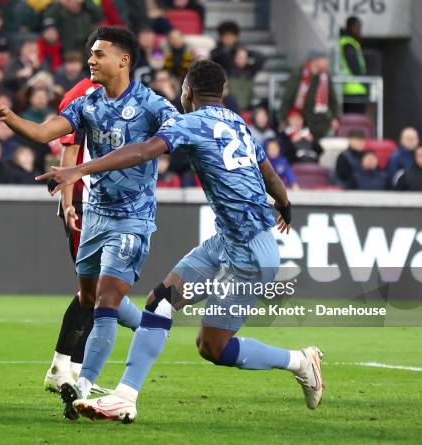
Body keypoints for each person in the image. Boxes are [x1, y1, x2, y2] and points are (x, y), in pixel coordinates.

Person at [39, 59, 323, 422]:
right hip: (228, 242)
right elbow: (270, 174)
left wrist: (80, 168)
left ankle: (300, 361)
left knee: (212, 347)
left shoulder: (189, 122)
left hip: (250, 254)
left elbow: (144, 151)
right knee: (160, 301)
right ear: (222, 93)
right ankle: (126, 395)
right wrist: (284, 204)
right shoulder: (239, 122)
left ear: (187, 92)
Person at [0, 26, 179, 419]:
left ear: (123, 60)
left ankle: (83, 386)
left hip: (132, 218)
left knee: (105, 301)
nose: (91, 59)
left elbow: (143, 151)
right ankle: (151, 325)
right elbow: (43, 133)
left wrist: (79, 172)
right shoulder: (87, 102)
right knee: (89, 300)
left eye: (99, 53)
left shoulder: (155, 107)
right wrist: (9, 117)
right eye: (90, 53)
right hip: (95, 218)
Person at [43, 78, 137, 396]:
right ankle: (61, 367)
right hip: (84, 202)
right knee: (92, 290)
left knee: (97, 291)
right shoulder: (82, 95)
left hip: (104, 203)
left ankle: (76, 372)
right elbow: (69, 152)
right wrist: (68, 204)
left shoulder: (122, 95)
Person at [280, 51, 339, 140]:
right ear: (315, 61)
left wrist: (335, 117)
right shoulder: (299, 75)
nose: (327, 63)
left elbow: (333, 100)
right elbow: (288, 98)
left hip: (321, 123)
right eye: (324, 59)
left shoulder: (325, 77)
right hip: (302, 122)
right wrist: (284, 118)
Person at [339, 16, 367, 114]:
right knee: (355, 122)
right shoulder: (348, 44)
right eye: (357, 27)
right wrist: (365, 83)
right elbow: (354, 66)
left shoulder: (349, 42)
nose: (359, 30)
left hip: (351, 88)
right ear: (350, 27)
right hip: (354, 89)